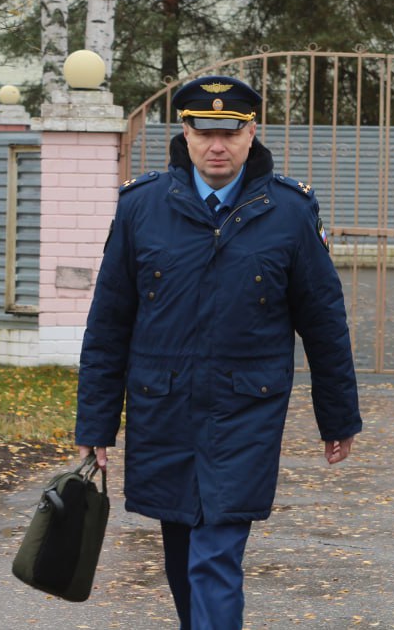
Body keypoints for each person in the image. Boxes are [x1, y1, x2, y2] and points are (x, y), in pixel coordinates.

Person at [74, 75, 362, 630]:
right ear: (184, 131)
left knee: (216, 554)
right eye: (204, 132)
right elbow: (108, 325)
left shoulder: (290, 212)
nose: (217, 145)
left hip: (245, 412)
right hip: (165, 409)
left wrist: (338, 417)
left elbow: (324, 323)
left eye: (230, 132)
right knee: (182, 553)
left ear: (252, 132)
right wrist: (96, 423)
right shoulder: (141, 208)